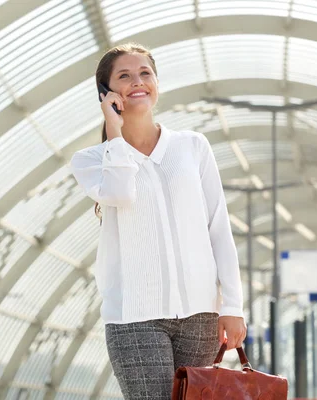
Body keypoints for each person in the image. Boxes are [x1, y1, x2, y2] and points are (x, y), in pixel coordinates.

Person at [69, 43, 247, 399]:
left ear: (156, 83)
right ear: (107, 92)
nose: (138, 81)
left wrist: (233, 307)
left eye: (145, 73)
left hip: (200, 315)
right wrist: (115, 130)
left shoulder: (192, 147)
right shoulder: (91, 159)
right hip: (133, 316)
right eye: (124, 76)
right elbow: (121, 193)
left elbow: (218, 229)